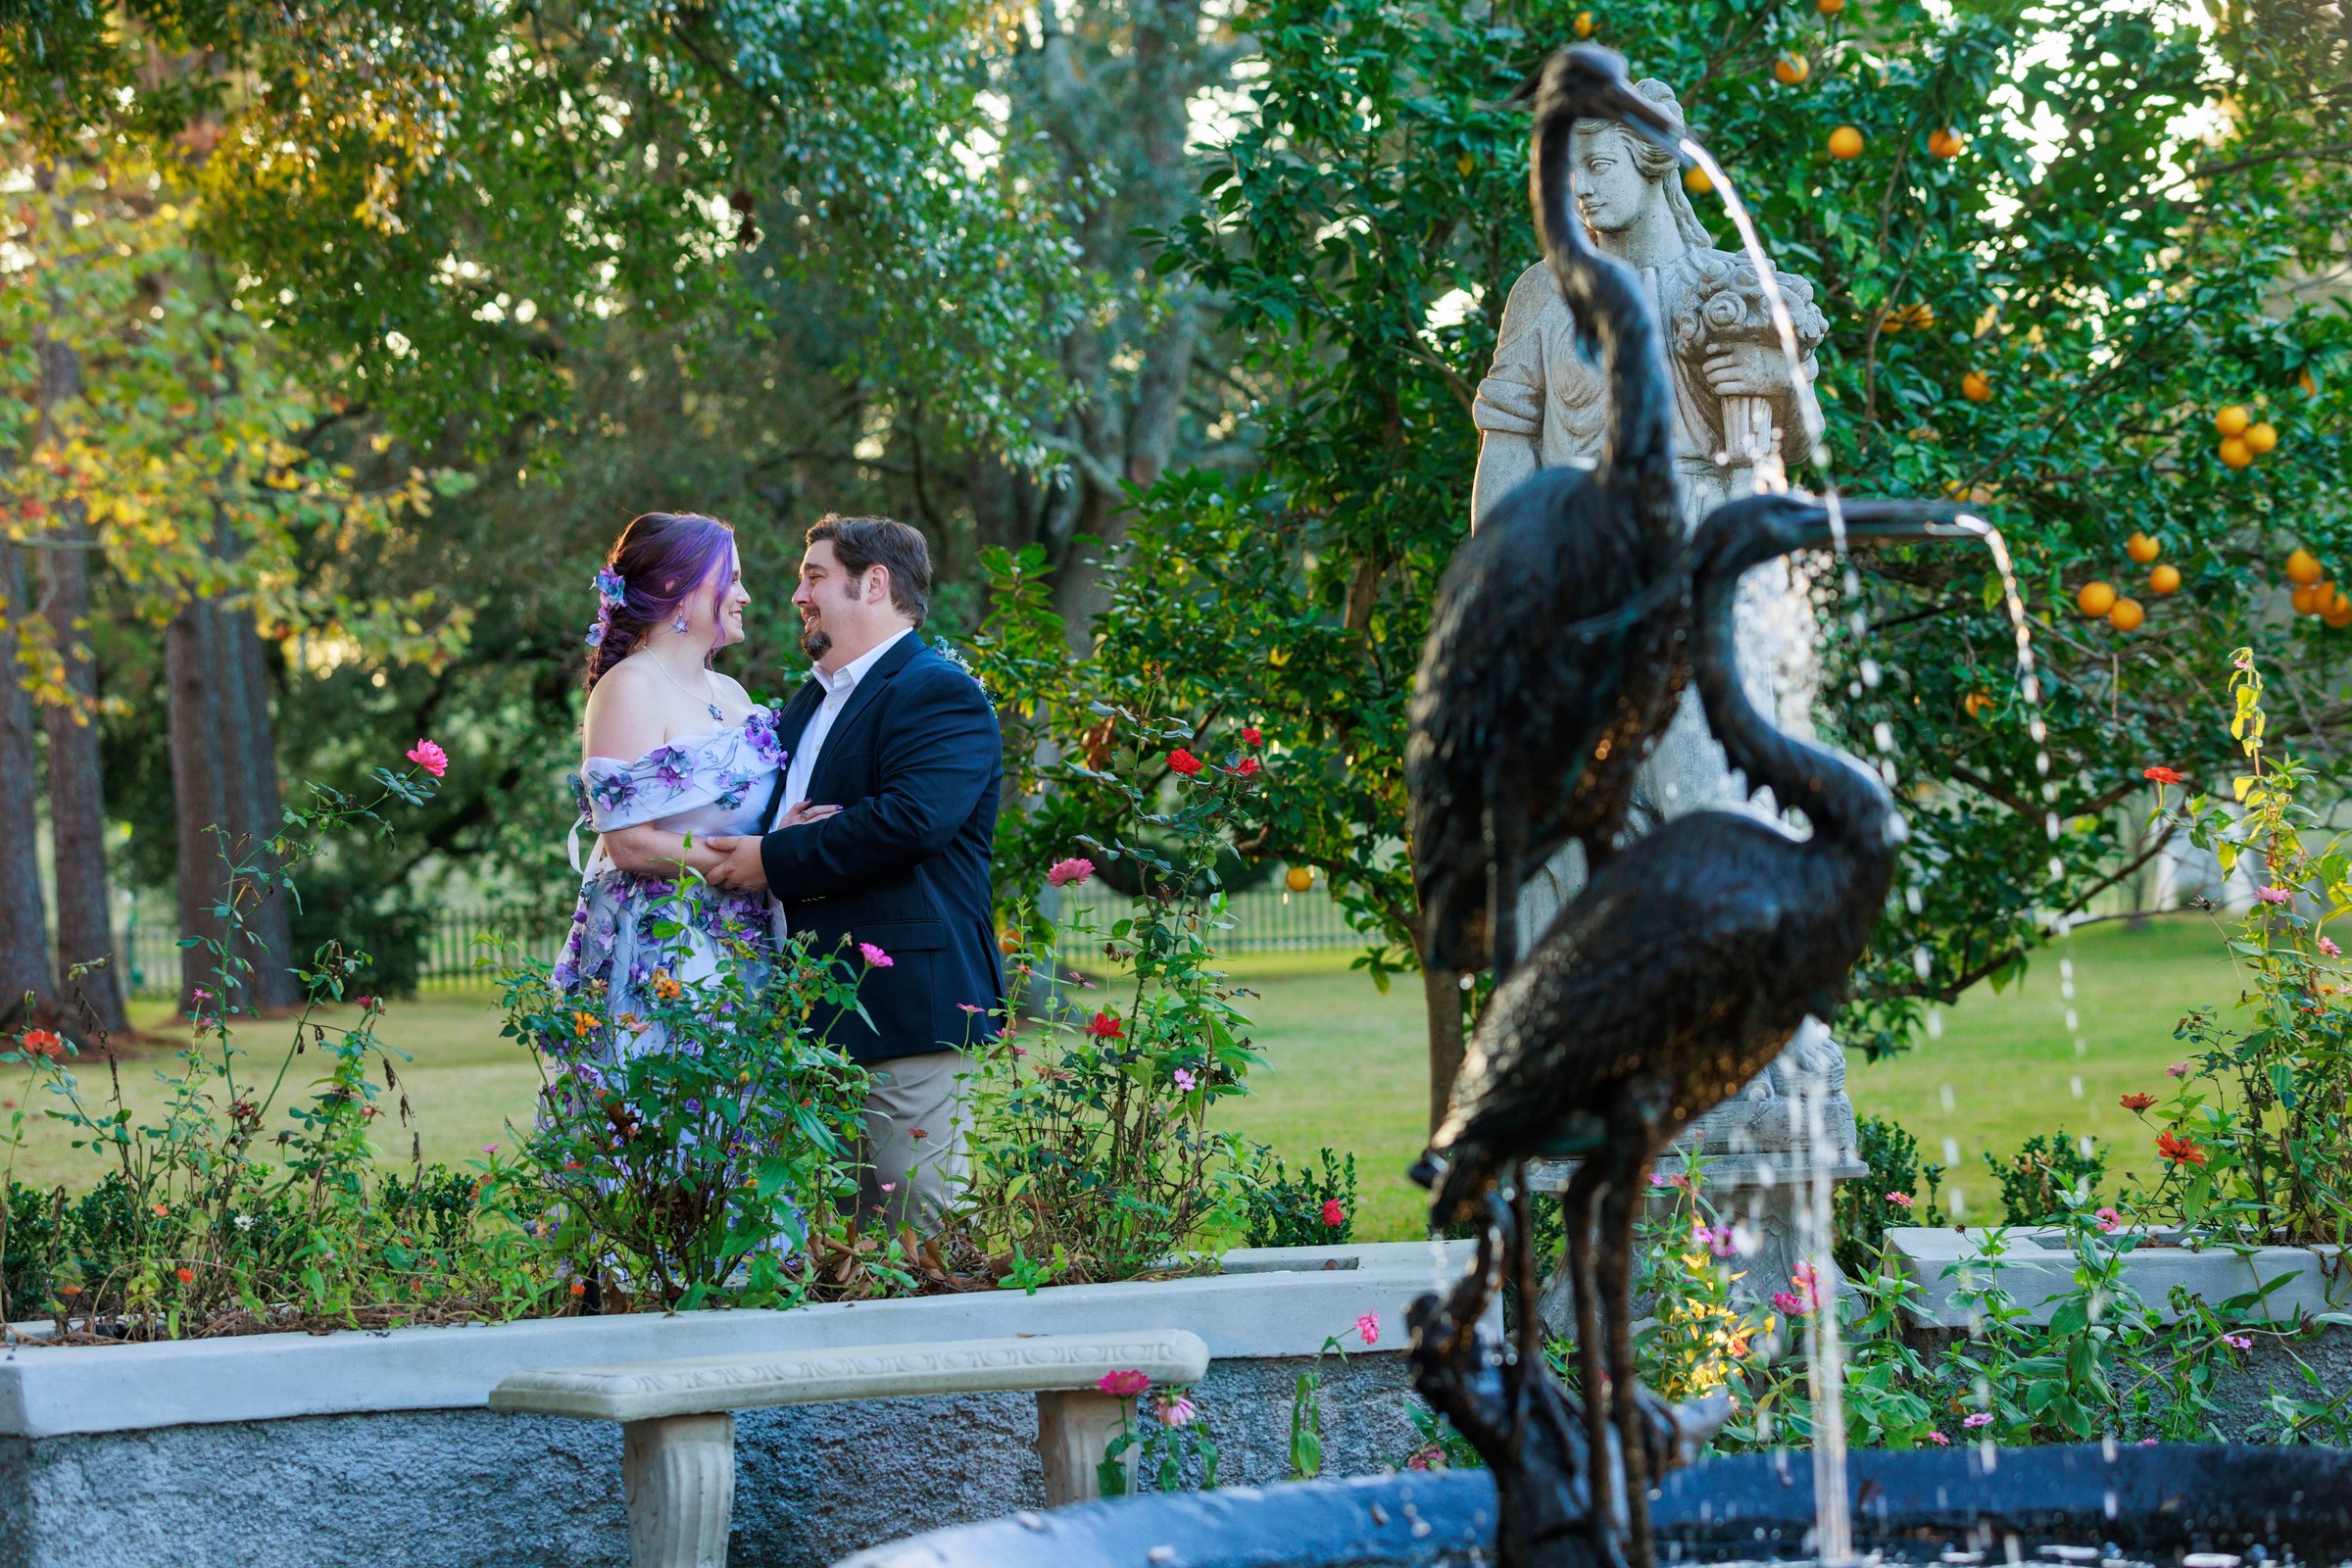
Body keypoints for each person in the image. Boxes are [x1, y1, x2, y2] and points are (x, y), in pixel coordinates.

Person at [706, 514, 1004, 1233]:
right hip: (812, 1013)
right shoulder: (807, 704)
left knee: (918, 1236)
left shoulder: (937, 691)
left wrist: (769, 861)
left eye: (813, 577)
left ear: (874, 583)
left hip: (907, 1012)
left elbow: (911, 820)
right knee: (832, 1244)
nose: (796, 596)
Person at [553, 511, 834, 1054]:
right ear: (671, 585)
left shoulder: (731, 692)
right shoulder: (628, 687)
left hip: (746, 940)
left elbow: (746, 809)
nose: (745, 594)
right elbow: (628, 842)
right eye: (730, 578)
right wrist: (752, 859)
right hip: (666, 947)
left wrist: (783, 835)